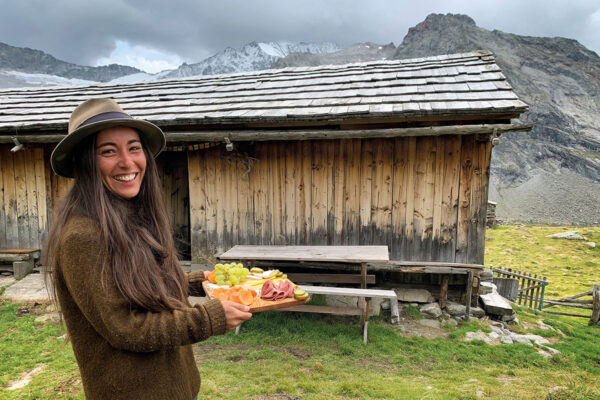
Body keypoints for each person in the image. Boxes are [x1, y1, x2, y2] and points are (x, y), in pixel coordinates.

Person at [43, 98, 252, 400]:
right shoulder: (83, 236)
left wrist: (196, 282)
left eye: (134, 147)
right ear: (84, 161)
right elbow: (124, 326)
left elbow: (134, 287)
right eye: (108, 151)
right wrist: (208, 319)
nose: (128, 163)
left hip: (175, 389)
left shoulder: (128, 212)